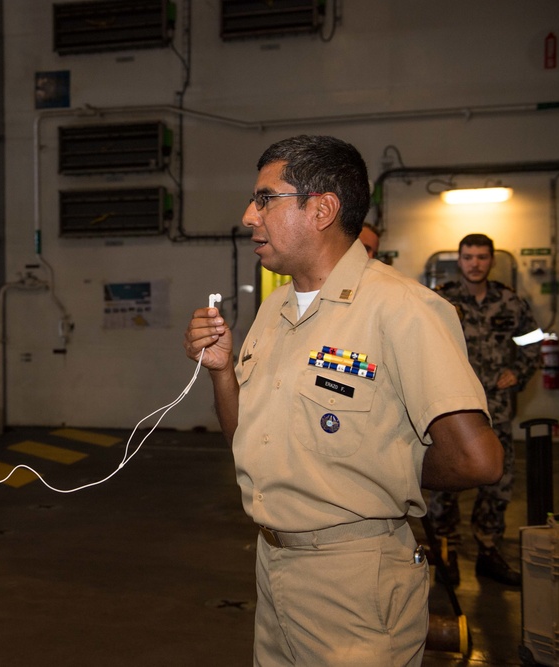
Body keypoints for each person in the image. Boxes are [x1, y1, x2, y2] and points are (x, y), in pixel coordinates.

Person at [183, 135, 503, 665]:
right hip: (274, 564)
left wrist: (378, 470)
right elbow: (249, 439)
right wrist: (221, 372)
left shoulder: (402, 309)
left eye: (265, 199)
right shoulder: (276, 307)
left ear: (322, 208)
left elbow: (478, 458)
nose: (248, 216)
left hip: (356, 579)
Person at [428, 233, 542, 586]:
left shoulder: (510, 302)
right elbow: (420, 346)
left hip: (496, 407)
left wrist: (519, 372)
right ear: (459, 261)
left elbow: (534, 342)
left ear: (491, 260)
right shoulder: (441, 300)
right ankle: (446, 552)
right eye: (468, 257)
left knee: (497, 479)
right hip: (451, 406)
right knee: (445, 480)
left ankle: (488, 551)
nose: (474, 263)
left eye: (481, 257)